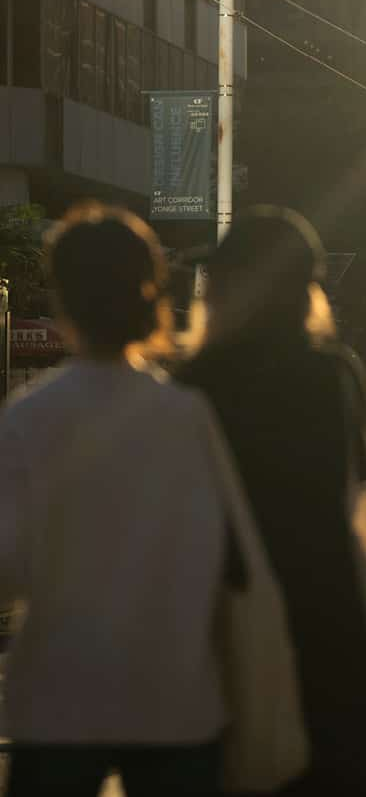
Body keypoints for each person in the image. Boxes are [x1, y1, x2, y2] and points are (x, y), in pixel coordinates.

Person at [0, 205, 229, 794]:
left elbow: (9, 561)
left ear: (65, 298)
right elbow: (216, 550)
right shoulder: (186, 415)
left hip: (59, 697)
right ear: (150, 294)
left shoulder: (30, 417)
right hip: (174, 693)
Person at [180, 205, 366, 794]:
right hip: (332, 621)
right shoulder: (335, 377)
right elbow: (360, 486)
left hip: (230, 625)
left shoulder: (195, 386)